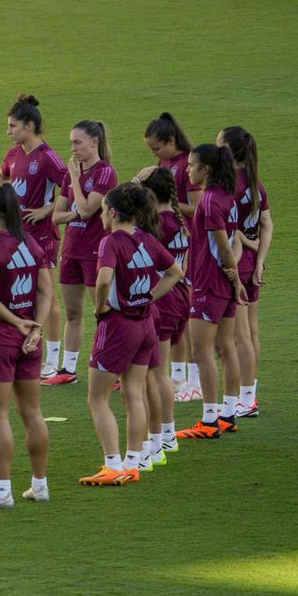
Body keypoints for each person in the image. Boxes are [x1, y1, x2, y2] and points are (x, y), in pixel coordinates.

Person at [79, 184, 182, 486]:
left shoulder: (111, 242)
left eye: (102, 210)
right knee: (134, 393)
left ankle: (113, 464)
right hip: (145, 324)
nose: (101, 216)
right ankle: (134, 462)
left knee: (97, 399)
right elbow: (175, 272)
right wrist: (149, 298)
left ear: (112, 212)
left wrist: (100, 307)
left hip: (118, 326)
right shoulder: (147, 239)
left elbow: (103, 280)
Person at [0, 186, 52, 509]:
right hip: (30, 341)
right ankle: (40, 485)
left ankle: (1, 491)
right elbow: (46, 291)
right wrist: (36, 327)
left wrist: (18, 323)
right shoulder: (31, 243)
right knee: (32, 412)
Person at [0, 94, 69, 377]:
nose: (8, 131)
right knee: (21, 292)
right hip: (18, 237)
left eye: (12, 126)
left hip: (43, 237)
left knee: (47, 295)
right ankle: (25, 349)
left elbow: (70, 189)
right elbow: (2, 178)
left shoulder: (48, 157)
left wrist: (46, 210)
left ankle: (52, 359)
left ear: (29, 126)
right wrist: (4, 205)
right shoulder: (13, 154)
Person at [176, 144, 246, 440]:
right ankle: (227, 414)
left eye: (191, 165)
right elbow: (232, 239)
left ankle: (208, 420)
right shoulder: (228, 197)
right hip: (221, 283)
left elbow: (223, 246)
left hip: (208, 283)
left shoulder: (208, 200)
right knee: (225, 347)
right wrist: (235, 278)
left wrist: (236, 277)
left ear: (206, 169)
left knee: (201, 350)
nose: (187, 170)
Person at [44, 119, 118, 386]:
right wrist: (76, 211)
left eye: (78, 142)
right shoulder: (71, 174)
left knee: (103, 313)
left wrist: (75, 180)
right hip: (72, 250)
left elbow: (87, 210)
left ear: (94, 142)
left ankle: (112, 369)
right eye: (71, 143)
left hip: (96, 252)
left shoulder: (105, 173)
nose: (73, 148)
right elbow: (56, 216)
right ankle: (68, 369)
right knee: (73, 313)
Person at [135, 112, 199, 400]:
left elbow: (197, 208)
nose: (155, 154)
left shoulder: (187, 164)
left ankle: (188, 380)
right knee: (177, 324)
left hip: (185, 245)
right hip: (177, 244)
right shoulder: (164, 165)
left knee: (182, 321)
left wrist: (164, 206)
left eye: (157, 148)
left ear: (171, 140)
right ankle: (178, 377)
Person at [139, 169, 190, 467]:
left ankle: (162, 438)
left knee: (156, 375)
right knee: (161, 372)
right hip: (179, 297)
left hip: (164, 299)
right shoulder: (176, 221)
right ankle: (167, 435)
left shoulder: (160, 224)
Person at [221, 126, 270, 420]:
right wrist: (260, 259)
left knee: (239, 337)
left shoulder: (230, 185)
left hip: (238, 263)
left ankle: (246, 400)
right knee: (251, 332)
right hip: (252, 263)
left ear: (229, 150)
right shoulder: (255, 183)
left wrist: (246, 244)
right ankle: (249, 394)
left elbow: (231, 231)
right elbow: (267, 224)